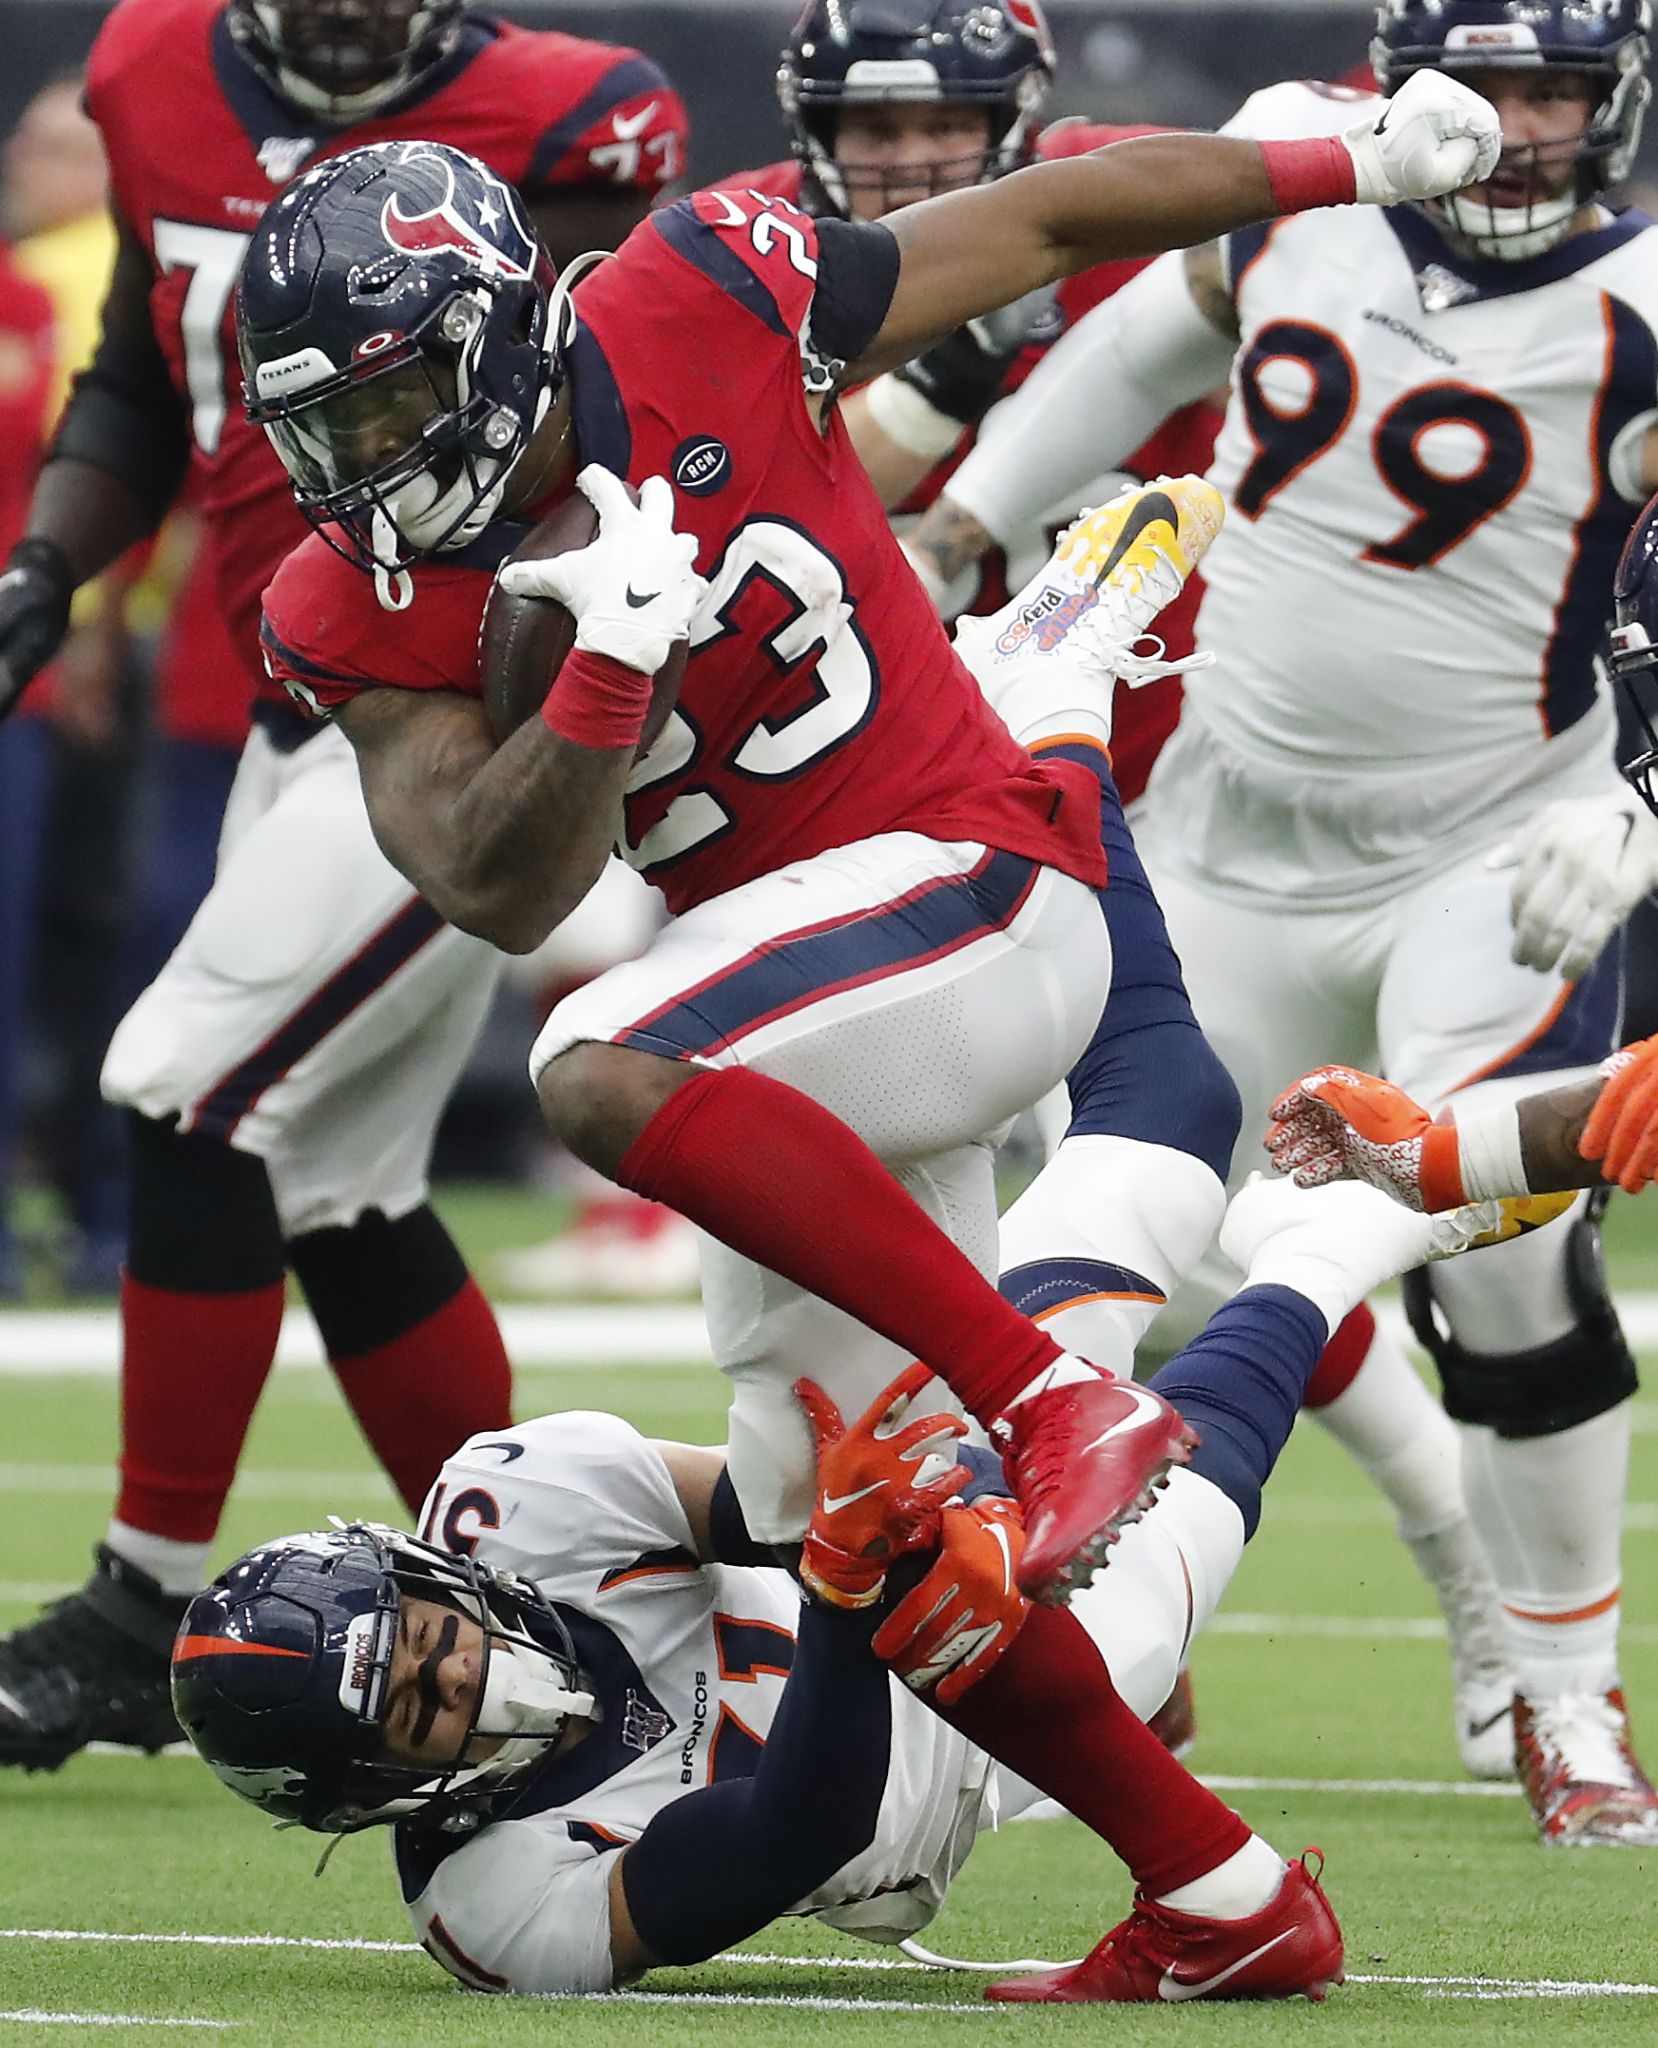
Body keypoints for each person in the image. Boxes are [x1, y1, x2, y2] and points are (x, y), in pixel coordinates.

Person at [244, 82, 1498, 1891]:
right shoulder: (340, 594)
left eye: (382, 400)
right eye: (323, 427)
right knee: (857, 1591)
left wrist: (1346, 160)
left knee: (593, 1064)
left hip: (960, 891)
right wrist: (605, 675)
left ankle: (1056, 1388)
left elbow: (1054, 223)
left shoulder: (695, 288)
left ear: (498, 333)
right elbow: (491, 882)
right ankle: (1222, 1894)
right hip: (802, 1022)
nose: (362, 459)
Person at [901, 0, 1658, 1845]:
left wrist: (1635, 806)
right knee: (1136, 1236)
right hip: (1221, 826)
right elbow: (1138, 338)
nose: (1514, 128)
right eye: (1481, 88)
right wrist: (962, 528)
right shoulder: (1297, 171)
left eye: (1553, 90)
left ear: (1614, 100)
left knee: (1491, 1243)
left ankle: (1564, 1696)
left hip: (1490, 839)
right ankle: (1095, 1655)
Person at [0, 0, 689, 1773]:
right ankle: (569, 1612)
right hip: (295, 693)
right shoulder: (152, 70)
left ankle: (136, 1600)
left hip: (460, 701)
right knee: (340, 1186)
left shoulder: (574, 112)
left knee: (188, 1086)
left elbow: (623, 415)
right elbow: (149, 375)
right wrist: (53, 564)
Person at [172, 1173, 1510, 2003]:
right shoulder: (492, 1909)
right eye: (414, 1705)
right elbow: (794, 1830)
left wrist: (892, 1517)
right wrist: (844, 1584)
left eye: (423, 1634)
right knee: (1195, 1463)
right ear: (373, 1788)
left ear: (423, 1572)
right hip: (963, 1745)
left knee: (1085, 1223)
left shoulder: (508, 1504)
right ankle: (1332, 1245)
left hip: (909, 1556)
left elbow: (759, 1506)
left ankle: (1311, 1173)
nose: (454, 1668)